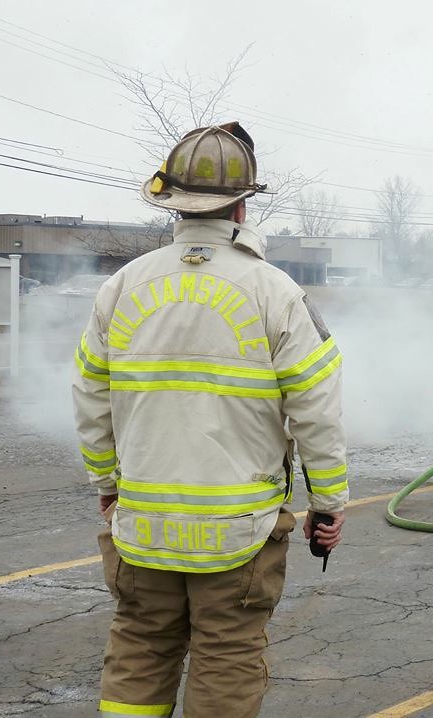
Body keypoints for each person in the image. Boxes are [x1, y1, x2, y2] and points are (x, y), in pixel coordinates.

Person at [72, 122, 348, 718]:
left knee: (140, 647)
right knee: (226, 656)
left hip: (142, 524)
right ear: (244, 203)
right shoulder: (275, 292)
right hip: (237, 532)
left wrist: (107, 486)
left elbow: (90, 396)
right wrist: (327, 503)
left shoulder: (121, 287)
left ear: (170, 199)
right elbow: (316, 410)